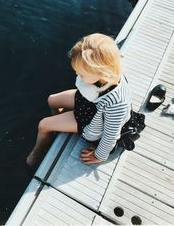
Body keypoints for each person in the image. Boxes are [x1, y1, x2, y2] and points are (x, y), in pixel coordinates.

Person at [26, 33, 132, 167]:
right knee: (51, 100)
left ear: (102, 73)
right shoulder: (104, 74)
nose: (77, 75)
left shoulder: (116, 102)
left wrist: (99, 155)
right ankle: (57, 127)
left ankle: (35, 155)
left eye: (81, 74)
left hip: (90, 118)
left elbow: (111, 135)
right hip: (85, 101)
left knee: (43, 125)